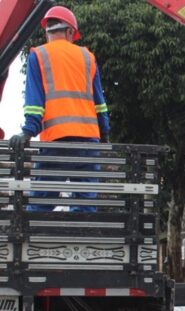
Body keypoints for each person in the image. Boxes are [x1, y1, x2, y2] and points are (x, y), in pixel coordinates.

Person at [8, 6, 110, 213]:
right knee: (85, 204)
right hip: (88, 142)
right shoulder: (87, 57)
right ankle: (82, 242)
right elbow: (100, 103)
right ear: (70, 31)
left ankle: (33, 242)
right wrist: (105, 132)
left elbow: (35, 103)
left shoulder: (39, 54)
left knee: (41, 201)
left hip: (56, 139)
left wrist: (28, 132)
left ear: (48, 31)